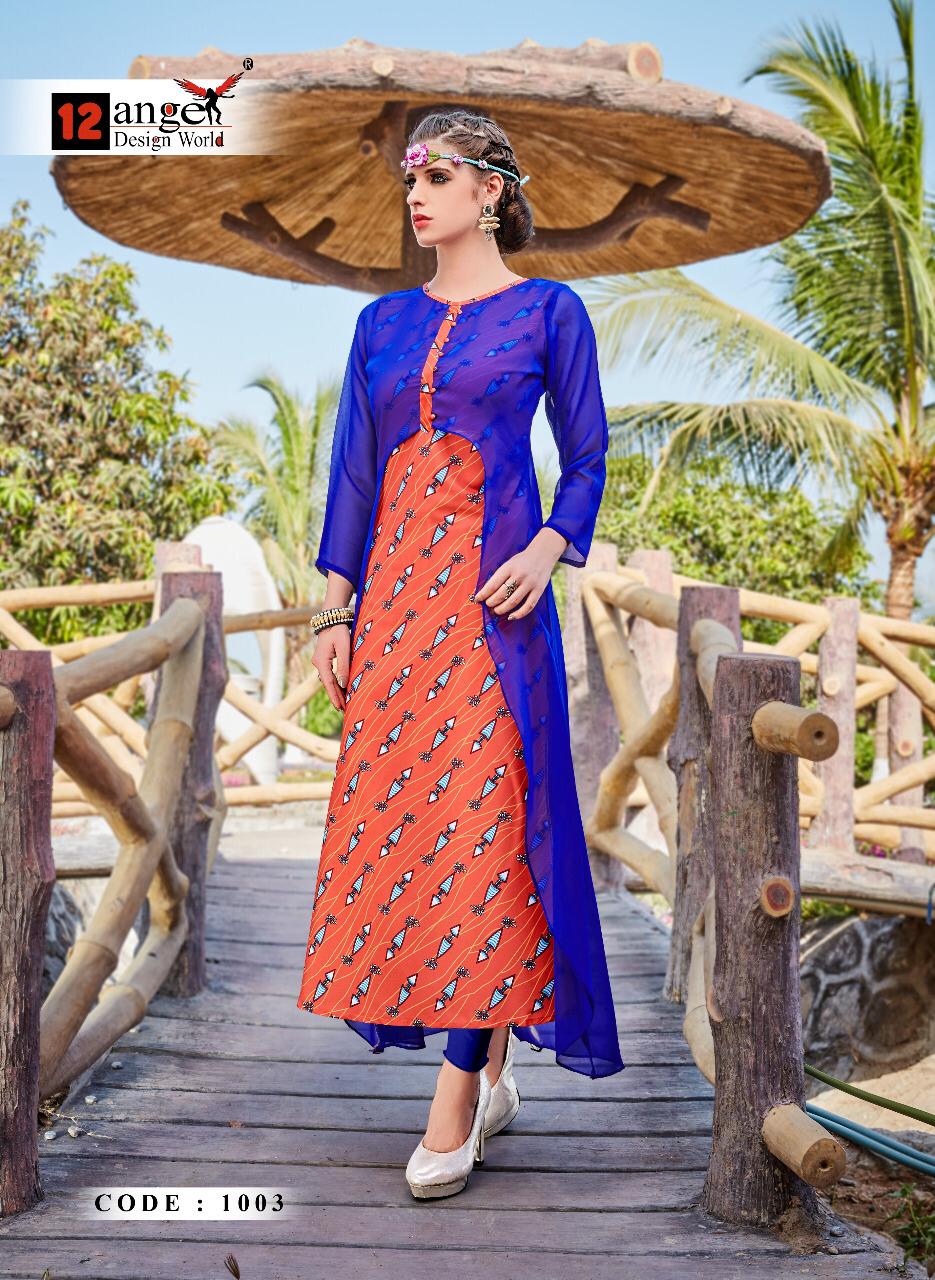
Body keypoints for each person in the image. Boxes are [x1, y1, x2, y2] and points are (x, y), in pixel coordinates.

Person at [297, 108, 625, 1200]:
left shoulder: (548, 311)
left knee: (488, 830)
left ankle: (456, 1090)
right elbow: (353, 469)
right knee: (410, 832)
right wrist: (333, 613)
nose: (415, 193)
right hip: (396, 619)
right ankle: (487, 1066)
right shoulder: (381, 323)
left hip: (494, 610)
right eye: (411, 177)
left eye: (436, 175)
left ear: (491, 191)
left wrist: (547, 547)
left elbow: (586, 455)